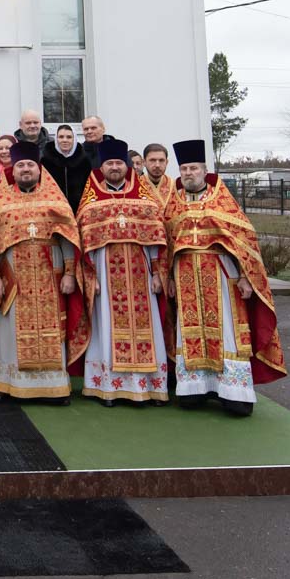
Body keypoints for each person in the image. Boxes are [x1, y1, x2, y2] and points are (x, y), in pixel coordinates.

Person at [162, 139, 286, 416]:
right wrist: (168, 276)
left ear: (204, 170)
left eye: (193, 168)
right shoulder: (173, 204)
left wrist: (245, 276)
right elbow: (167, 245)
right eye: (184, 168)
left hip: (221, 274)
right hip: (184, 276)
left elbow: (246, 242)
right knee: (188, 331)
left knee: (228, 332)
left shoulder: (222, 200)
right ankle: (194, 389)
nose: (188, 173)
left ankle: (234, 394)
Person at [0, 142, 88, 401]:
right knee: (10, 331)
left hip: (50, 275)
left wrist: (71, 274)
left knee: (53, 330)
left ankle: (55, 387)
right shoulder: (1, 201)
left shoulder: (54, 199)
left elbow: (67, 238)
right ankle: (8, 384)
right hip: (13, 275)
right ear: (12, 170)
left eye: (30, 165)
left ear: (39, 169)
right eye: (20, 166)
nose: (25, 169)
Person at [75, 140, 169, 406]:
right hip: (105, 275)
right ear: (101, 167)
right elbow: (85, 242)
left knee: (147, 328)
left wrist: (156, 274)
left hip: (141, 274)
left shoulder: (143, 199)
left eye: (118, 163)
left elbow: (155, 240)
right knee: (106, 328)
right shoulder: (91, 202)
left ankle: (149, 388)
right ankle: (109, 388)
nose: (114, 167)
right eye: (109, 164)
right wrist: (90, 278)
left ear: (127, 167)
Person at [42, 124, 92, 212]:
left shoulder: (84, 161)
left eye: (69, 137)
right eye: (61, 137)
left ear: (74, 139)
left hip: (79, 210)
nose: (65, 140)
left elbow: (89, 188)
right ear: (56, 139)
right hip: (53, 210)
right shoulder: (45, 161)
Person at [142, 143, 176, 208]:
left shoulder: (175, 186)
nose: (157, 165)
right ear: (144, 162)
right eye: (152, 160)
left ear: (167, 162)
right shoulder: (136, 185)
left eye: (161, 160)